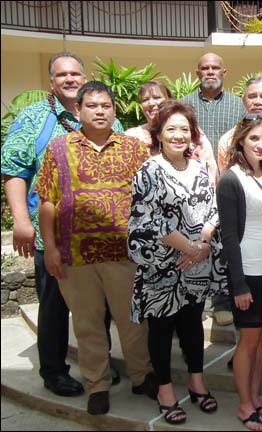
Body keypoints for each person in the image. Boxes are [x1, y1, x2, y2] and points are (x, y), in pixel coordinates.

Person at [1, 52, 123, 398]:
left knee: (98, 309)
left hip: (99, 238)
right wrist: (21, 222)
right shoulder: (34, 118)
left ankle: (98, 365)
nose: (70, 79)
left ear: (85, 78)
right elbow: (13, 169)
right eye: (62, 74)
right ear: (51, 80)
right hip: (51, 236)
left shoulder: (106, 117)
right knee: (55, 308)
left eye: (75, 74)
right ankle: (54, 370)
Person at [35, 81, 157, 415]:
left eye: (105, 105)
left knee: (133, 322)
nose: (99, 111)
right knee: (88, 325)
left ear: (114, 110)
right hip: (76, 256)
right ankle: (97, 385)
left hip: (125, 256)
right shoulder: (59, 148)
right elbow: (47, 201)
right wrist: (51, 249)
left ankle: (140, 375)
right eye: (92, 106)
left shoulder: (133, 148)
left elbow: (150, 198)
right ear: (78, 110)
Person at [128, 100, 220, 425]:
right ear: (159, 133)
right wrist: (191, 246)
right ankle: (165, 390)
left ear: (193, 134)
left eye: (184, 129)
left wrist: (204, 243)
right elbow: (148, 219)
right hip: (161, 267)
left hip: (195, 265)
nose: (178, 135)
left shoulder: (200, 167)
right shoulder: (149, 169)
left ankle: (197, 380)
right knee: (162, 329)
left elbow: (213, 210)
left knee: (193, 325)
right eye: (171, 129)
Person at [218, 115, 262, 431]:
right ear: (241, 141)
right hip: (249, 272)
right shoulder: (231, 179)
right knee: (247, 342)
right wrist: (239, 284)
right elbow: (229, 237)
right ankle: (244, 405)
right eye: (254, 138)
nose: (260, 144)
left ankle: (255, 397)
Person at [180, 52, 245, 327]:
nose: (210, 72)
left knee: (224, 243)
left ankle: (221, 300)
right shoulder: (184, 105)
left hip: (230, 184)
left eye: (215, 67)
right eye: (204, 68)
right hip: (193, 186)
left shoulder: (238, 106)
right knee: (195, 239)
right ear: (197, 73)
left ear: (224, 71)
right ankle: (195, 301)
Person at [126, 81, 218, 184]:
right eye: (145, 100)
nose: (151, 103)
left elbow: (209, 169)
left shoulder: (192, 134)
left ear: (169, 100)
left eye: (157, 97)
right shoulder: (132, 137)